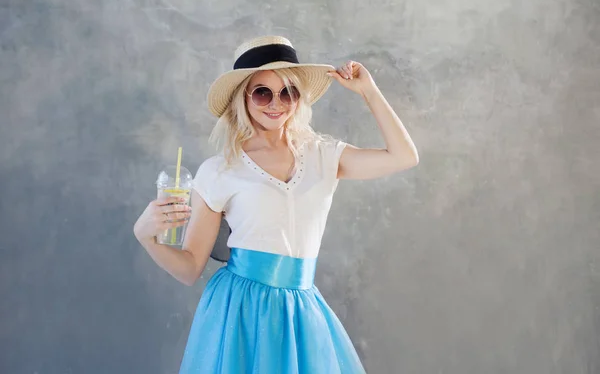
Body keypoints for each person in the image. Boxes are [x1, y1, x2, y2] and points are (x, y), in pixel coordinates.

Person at [133, 35, 419, 373]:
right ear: (243, 97)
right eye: (263, 92)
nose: (276, 103)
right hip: (238, 311)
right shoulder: (220, 170)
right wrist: (144, 235)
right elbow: (189, 267)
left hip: (301, 311)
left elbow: (404, 157)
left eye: (288, 92)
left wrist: (369, 91)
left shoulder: (323, 155)